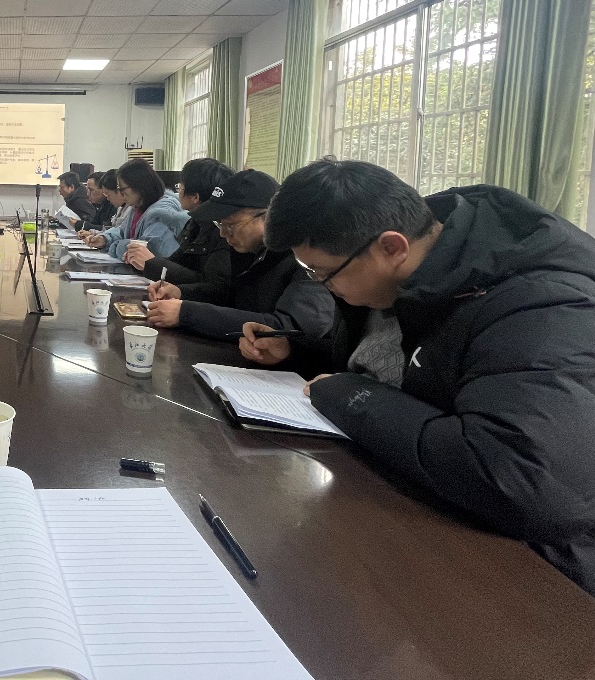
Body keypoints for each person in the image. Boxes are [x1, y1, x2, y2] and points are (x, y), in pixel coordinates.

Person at [241, 159, 595, 595]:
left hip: (539, 573)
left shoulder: (543, 305)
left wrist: (349, 396)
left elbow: (523, 482)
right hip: (421, 500)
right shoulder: (402, 274)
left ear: (392, 247)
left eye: (323, 274)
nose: (321, 284)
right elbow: (398, 364)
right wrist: (296, 349)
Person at [145, 169, 334, 348]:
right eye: (220, 224)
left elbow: (287, 329)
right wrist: (182, 294)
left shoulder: (307, 257)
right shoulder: (250, 249)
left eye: (231, 225)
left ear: (268, 216)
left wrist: (186, 313)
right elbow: (229, 297)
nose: (223, 233)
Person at [125, 157, 234, 301]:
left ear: (195, 197)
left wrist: (151, 262)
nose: (178, 191)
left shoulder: (220, 231)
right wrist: (144, 262)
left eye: (180, 186)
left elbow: (215, 288)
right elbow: (178, 261)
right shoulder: (195, 223)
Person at [83, 159, 187, 259]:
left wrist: (115, 246)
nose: (120, 193)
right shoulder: (138, 207)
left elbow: (145, 250)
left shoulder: (162, 214)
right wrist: (104, 239)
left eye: (122, 189)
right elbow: (122, 231)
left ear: (138, 185)